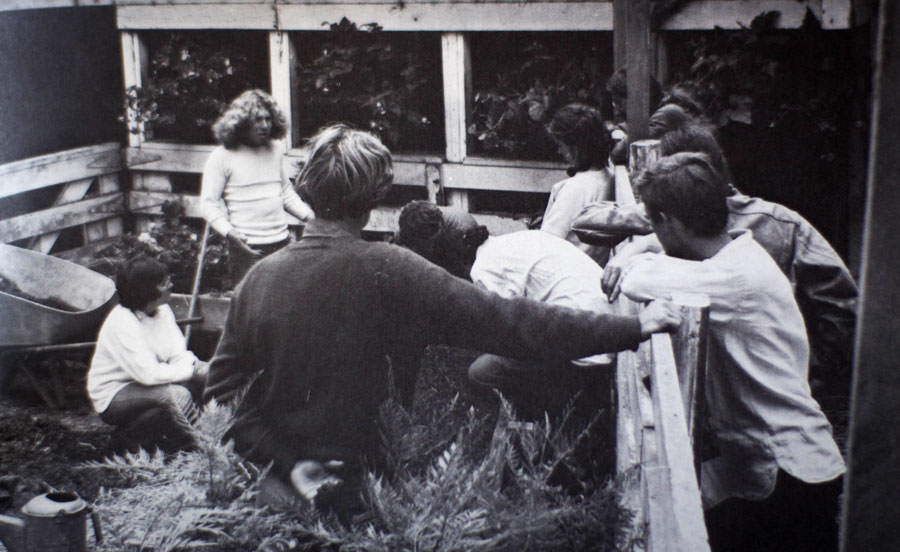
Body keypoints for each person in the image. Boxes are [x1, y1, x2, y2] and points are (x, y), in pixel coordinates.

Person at [204, 124, 682, 514]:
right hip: (365, 492)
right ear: (375, 193)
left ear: (306, 187)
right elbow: (514, 324)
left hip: (274, 493)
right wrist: (632, 326)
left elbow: (220, 399)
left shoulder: (257, 279)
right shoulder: (391, 269)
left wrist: (291, 465)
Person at [607, 152, 845, 552]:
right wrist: (647, 246)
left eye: (653, 222)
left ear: (668, 221)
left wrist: (635, 253)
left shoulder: (732, 276)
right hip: (779, 462)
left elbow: (638, 282)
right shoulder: (735, 256)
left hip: (788, 471)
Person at [596, 124, 857, 401]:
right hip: (747, 387)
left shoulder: (777, 226)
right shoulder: (727, 234)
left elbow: (840, 306)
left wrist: (809, 377)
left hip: (772, 388)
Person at [396, 201, 617, 422]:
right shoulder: (509, 242)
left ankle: (520, 434)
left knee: (481, 373)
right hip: (600, 327)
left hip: (588, 354)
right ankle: (529, 426)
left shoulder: (485, 270)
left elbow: (513, 334)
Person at [87, 256, 208, 453]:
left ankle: (145, 437)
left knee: (206, 377)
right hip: (115, 392)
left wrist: (198, 367)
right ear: (145, 290)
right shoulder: (122, 322)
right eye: (163, 283)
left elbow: (178, 354)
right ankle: (200, 447)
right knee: (178, 395)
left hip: (145, 383)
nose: (171, 285)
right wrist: (191, 371)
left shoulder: (162, 311)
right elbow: (148, 374)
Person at [200, 89, 314, 285]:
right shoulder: (222, 156)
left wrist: (310, 217)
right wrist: (230, 233)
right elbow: (208, 204)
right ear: (242, 123)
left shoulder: (274, 150)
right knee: (250, 307)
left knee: (281, 303)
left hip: (281, 243)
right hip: (247, 247)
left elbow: (285, 192)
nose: (264, 126)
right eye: (257, 120)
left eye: (268, 119)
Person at [541, 103, 615, 265]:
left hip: (566, 270)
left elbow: (547, 243)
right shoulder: (609, 177)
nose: (559, 152)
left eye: (561, 146)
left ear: (576, 147)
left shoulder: (575, 188)